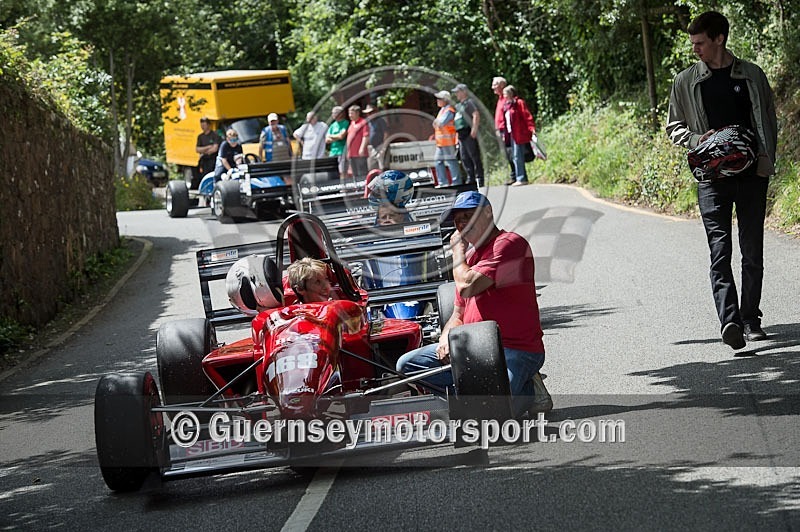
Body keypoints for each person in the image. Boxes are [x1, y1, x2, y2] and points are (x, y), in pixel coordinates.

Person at [666, 10, 777, 350]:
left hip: (750, 178)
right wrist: (698, 139)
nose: (695, 49)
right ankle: (729, 321)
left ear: (719, 39)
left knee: (752, 251)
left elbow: (769, 122)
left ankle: (750, 318)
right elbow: (674, 127)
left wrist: (765, 161)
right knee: (720, 252)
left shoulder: (752, 76)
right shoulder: (685, 81)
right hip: (711, 179)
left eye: (700, 43)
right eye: (693, 43)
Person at [396, 191, 552, 417]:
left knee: (491, 414)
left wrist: (457, 253)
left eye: (469, 216)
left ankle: (527, 390)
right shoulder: (469, 260)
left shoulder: (508, 244)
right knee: (407, 365)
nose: (463, 224)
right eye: (458, 220)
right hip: (470, 350)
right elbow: (457, 312)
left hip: (511, 348)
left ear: (488, 213)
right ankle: (474, 399)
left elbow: (468, 286)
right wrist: (445, 339)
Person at [502, 85, 536, 187]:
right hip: (511, 134)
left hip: (519, 134)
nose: (503, 95)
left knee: (518, 156)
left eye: (505, 93)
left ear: (510, 94)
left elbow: (527, 116)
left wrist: (531, 128)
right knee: (515, 156)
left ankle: (521, 178)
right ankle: (521, 177)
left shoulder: (519, 103)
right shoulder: (507, 105)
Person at [452, 84, 484, 186]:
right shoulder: (458, 105)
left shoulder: (469, 103)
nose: (456, 94)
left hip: (468, 132)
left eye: (458, 92)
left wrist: (474, 129)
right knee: (464, 157)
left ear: (464, 92)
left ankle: (479, 177)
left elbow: (476, 115)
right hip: (461, 135)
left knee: (474, 156)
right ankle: (471, 178)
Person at [432, 90, 462, 186]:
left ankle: (456, 182)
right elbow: (435, 124)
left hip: (448, 142)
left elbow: (440, 123)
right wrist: (436, 123)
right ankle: (443, 183)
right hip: (441, 142)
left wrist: (437, 122)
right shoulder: (443, 110)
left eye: (439, 98)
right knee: (438, 161)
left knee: (451, 162)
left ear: (445, 100)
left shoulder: (449, 110)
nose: (437, 100)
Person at [492, 76, 517, 185]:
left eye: (495, 85)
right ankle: (513, 175)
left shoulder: (506, 97)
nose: (492, 87)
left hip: (506, 131)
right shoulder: (500, 98)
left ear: (501, 85)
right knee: (507, 154)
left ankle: (515, 175)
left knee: (510, 153)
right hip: (501, 131)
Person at [346, 105, 370, 182]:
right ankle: (357, 189)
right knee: (354, 174)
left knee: (362, 173)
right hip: (351, 154)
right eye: (349, 113)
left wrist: (362, 148)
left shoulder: (363, 122)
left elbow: (365, 136)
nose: (350, 115)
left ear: (357, 113)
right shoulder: (351, 123)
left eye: (352, 113)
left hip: (360, 154)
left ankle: (364, 190)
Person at [326, 106, 349, 179]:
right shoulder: (333, 125)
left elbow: (342, 136)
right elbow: (326, 140)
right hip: (333, 152)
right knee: (333, 171)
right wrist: (336, 137)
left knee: (342, 170)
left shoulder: (345, 123)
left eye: (334, 113)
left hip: (342, 150)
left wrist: (331, 136)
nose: (332, 115)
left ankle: (344, 188)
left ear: (340, 114)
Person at [195, 117, 222, 181]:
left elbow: (215, 149)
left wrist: (203, 151)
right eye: (201, 125)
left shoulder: (215, 135)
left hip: (213, 159)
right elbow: (197, 149)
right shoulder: (200, 137)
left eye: (204, 125)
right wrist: (208, 147)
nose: (202, 127)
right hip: (204, 160)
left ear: (208, 125)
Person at [364, 104, 387, 171]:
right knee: (372, 165)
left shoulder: (380, 120)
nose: (368, 115)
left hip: (380, 146)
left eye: (370, 112)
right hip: (373, 147)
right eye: (367, 113)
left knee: (381, 164)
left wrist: (384, 146)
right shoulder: (370, 122)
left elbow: (386, 133)